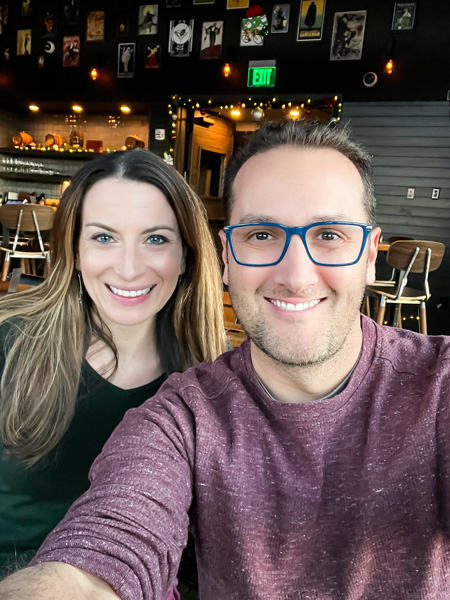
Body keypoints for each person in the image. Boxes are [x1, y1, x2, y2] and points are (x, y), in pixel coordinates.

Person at [2, 119, 450, 599]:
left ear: (369, 254)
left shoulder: (436, 387)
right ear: (227, 255)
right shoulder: (187, 414)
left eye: (330, 234)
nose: (296, 276)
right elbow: (114, 544)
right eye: (261, 235)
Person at [0, 150, 226, 593]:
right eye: (104, 238)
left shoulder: (212, 382)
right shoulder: (10, 342)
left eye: (156, 239)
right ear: (76, 250)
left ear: (186, 256)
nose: (128, 267)